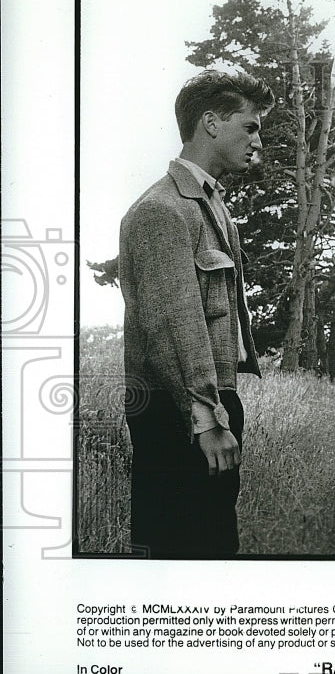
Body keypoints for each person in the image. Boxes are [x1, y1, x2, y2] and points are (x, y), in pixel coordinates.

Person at [119, 69, 274, 558]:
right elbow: (171, 326)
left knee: (211, 546)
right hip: (180, 414)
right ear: (211, 121)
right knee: (184, 554)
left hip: (204, 405)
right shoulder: (162, 210)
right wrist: (207, 418)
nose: (258, 141)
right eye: (250, 127)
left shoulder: (209, 204)